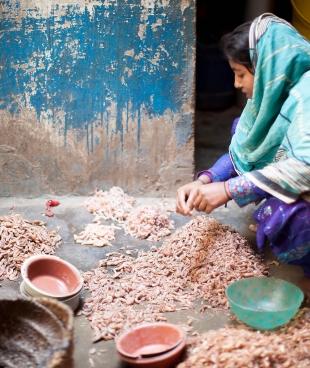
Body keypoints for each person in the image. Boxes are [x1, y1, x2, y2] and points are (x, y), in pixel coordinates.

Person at [176, 13, 310, 288]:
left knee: (288, 218)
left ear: (267, 71)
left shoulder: (306, 97)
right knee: (244, 128)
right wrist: (206, 181)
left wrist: (229, 190)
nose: (237, 85)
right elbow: (247, 152)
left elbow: (304, 167)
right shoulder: (273, 92)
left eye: (241, 74)